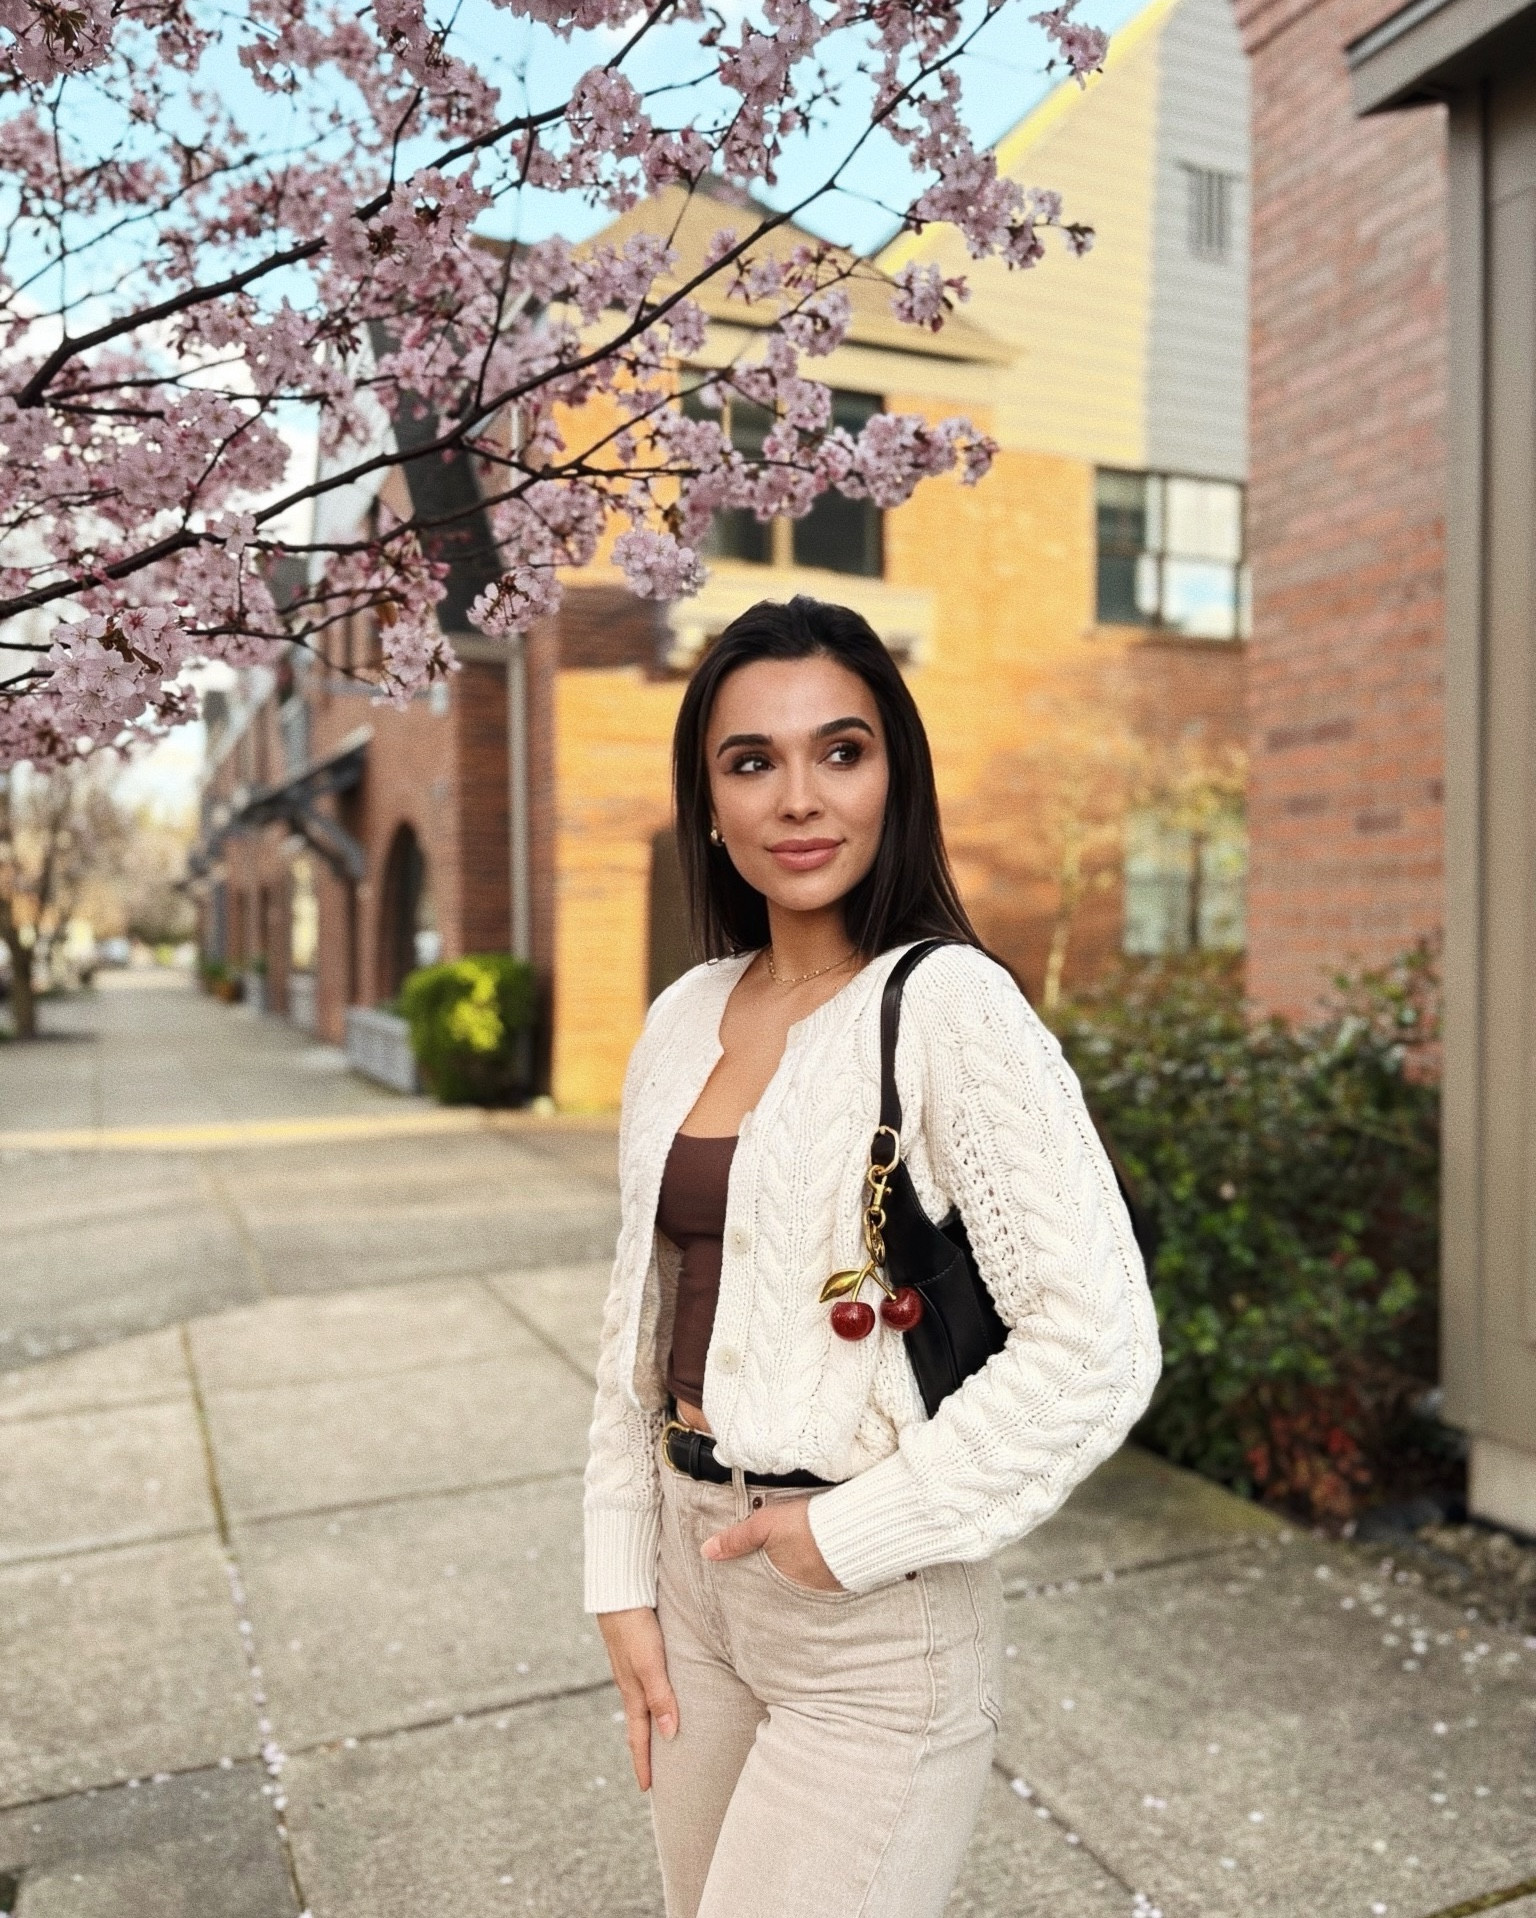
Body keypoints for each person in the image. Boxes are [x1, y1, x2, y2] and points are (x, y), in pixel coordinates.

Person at [584, 594, 1161, 1918]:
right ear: (710, 800)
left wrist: (854, 1534)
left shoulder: (949, 1002)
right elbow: (632, 1322)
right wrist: (620, 1576)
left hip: (869, 1611)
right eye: (753, 760)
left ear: (894, 773)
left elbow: (1100, 1341)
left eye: (841, 750)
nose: (800, 796)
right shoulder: (683, 1014)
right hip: (691, 1577)